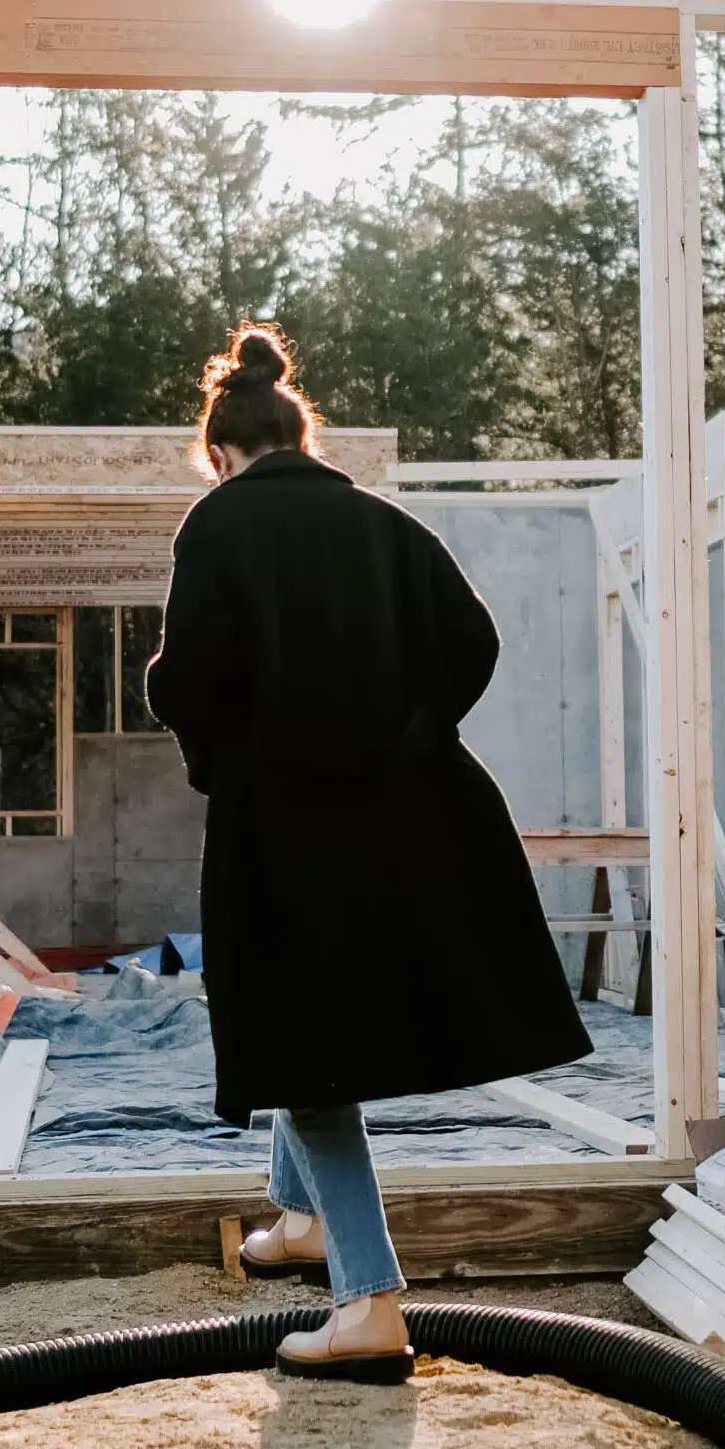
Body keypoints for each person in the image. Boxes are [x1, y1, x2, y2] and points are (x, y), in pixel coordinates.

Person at [145, 320, 594, 1380]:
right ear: (300, 436)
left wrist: (224, 754)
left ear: (219, 451)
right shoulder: (380, 523)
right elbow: (472, 642)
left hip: (293, 825)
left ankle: (368, 1302)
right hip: (414, 815)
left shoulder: (215, 527)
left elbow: (190, 681)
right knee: (304, 1027)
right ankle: (298, 1223)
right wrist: (409, 736)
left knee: (300, 1038)